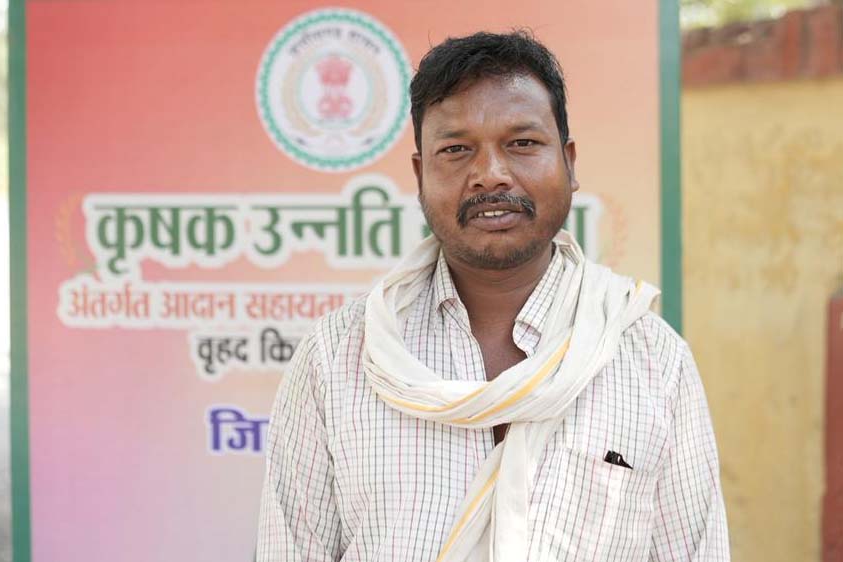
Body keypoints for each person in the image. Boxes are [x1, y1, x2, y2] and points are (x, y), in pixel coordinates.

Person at [257, 31, 729, 562]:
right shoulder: (339, 356)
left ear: (569, 163)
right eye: (456, 150)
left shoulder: (652, 359)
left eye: (521, 143)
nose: (490, 175)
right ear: (420, 175)